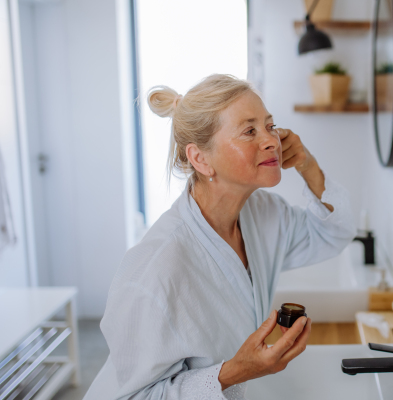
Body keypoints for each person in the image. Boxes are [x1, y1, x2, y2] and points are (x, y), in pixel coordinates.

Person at [83, 74, 356, 399]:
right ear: (200, 159)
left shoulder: (262, 214)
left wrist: (307, 164)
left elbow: (333, 233)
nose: (271, 140)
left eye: (270, 126)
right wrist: (236, 371)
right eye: (249, 131)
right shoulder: (154, 268)